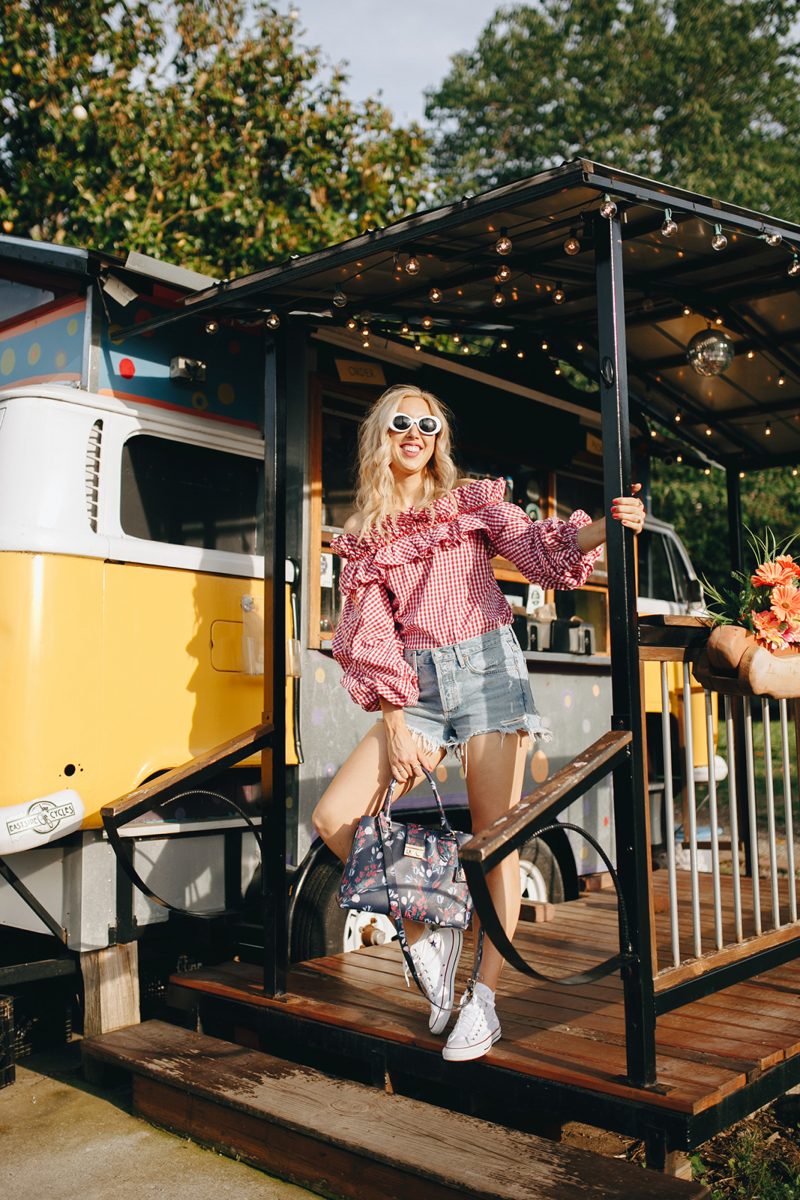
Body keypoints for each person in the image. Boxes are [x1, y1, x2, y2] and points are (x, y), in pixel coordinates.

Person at [312, 383, 645, 1063]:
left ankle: (484, 1000)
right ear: (382, 434)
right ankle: (426, 930)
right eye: (401, 422)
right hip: (419, 687)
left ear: (439, 438)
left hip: (490, 670)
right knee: (335, 817)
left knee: (497, 841)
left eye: (427, 424)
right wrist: (397, 723)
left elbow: (538, 551)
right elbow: (371, 635)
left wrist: (605, 525)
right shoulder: (368, 535)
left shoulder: (470, 503)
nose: (416, 433)